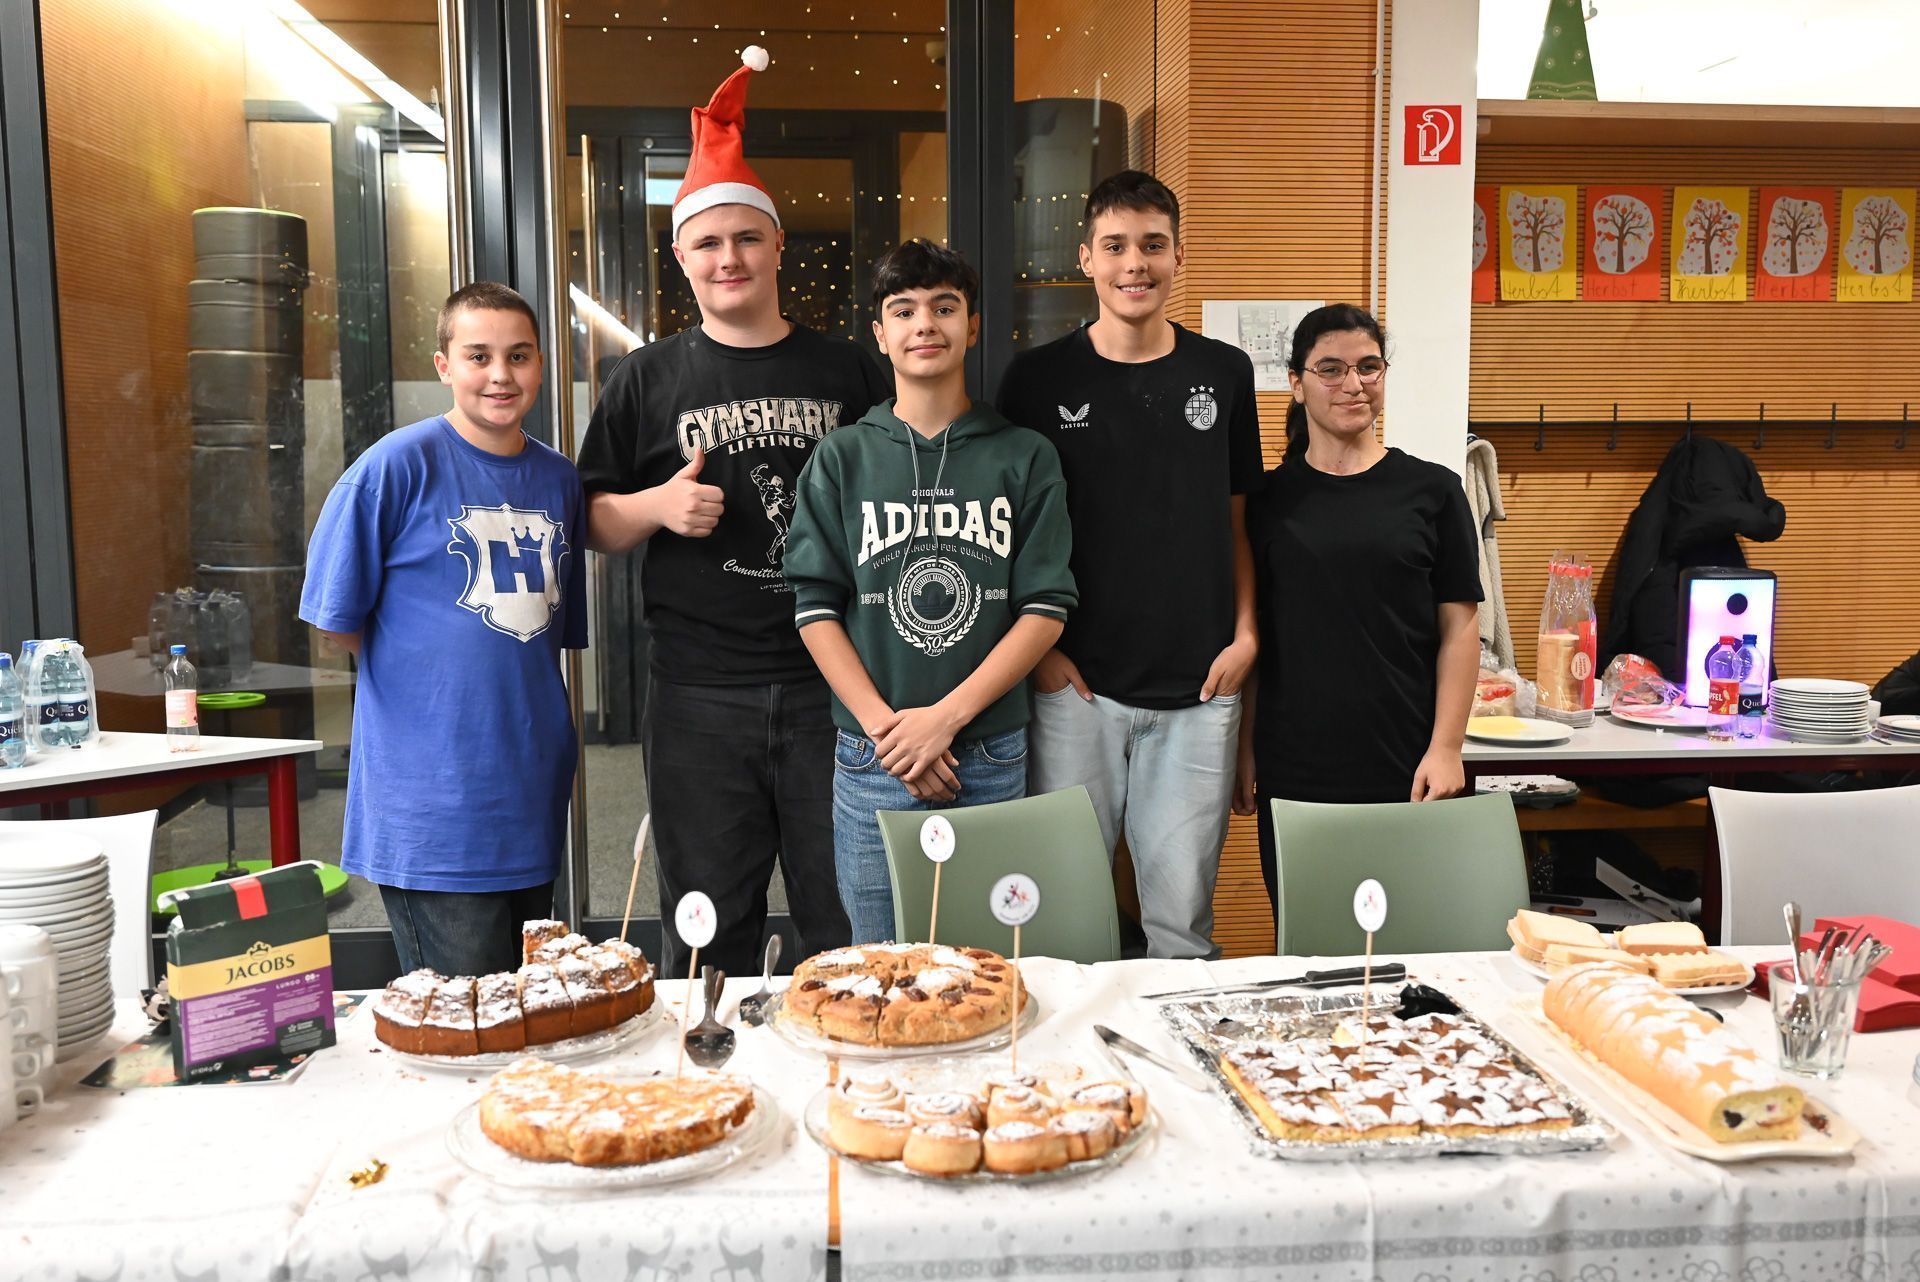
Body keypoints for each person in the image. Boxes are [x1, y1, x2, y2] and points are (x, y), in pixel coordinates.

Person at [575, 48, 889, 979]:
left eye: (746, 239)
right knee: (710, 920)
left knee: (849, 918)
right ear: (682, 257)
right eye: (707, 244)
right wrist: (657, 506)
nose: (728, 259)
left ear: (778, 248)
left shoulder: (848, 371)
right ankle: (712, 1085)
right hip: (698, 695)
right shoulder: (646, 378)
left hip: (832, 689)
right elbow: (591, 520)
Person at [995, 170, 1262, 961]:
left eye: (1152, 246)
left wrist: (1247, 638)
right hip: (1075, 685)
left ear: (1180, 256)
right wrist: (1040, 654)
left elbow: (1239, 518)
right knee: (1062, 922)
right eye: (1115, 246)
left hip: (1202, 684)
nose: (1134, 264)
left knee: (1182, 927)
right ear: (1086, 257)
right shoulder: (1037, 380)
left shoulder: (1225, 372)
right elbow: (1003, 531)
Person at [784, 239, 1077, 943]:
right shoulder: (842, 457)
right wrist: (892, 734)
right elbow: (815, 609)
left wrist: (943, 721)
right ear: (880, 334)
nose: (926, 325)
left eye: (945, 309)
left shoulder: (1024, 454)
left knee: (984, 960)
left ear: (973, 326)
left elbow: (1045, 608)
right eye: (904, 310)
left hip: (987, 747)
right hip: (873, 750)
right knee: (878, 962)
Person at [300, 282, 585, 976]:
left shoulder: (559, 479)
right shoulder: (393, 469)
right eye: (478, 355)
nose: (500, 375)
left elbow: (541, 632)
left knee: (525, 1013)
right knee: (462, 1028)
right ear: (442, 365)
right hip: (434, 808)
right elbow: (337, 623)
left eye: (518, 356)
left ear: (541, 364)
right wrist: (423, 676)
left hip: (528, 792)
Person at [1234, 303, 1483, 906]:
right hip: (1294, 767)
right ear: (1296, 384)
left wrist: (1446, 747)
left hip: (1406, 762)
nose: (1353, 384)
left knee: (1410, 946)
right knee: (1308, 945)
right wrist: (1243, 747)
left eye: (1369, 367)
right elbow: (1256, 639)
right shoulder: (1268, 501)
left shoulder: (1433, 491)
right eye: (1331, 369)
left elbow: (1461, 629)